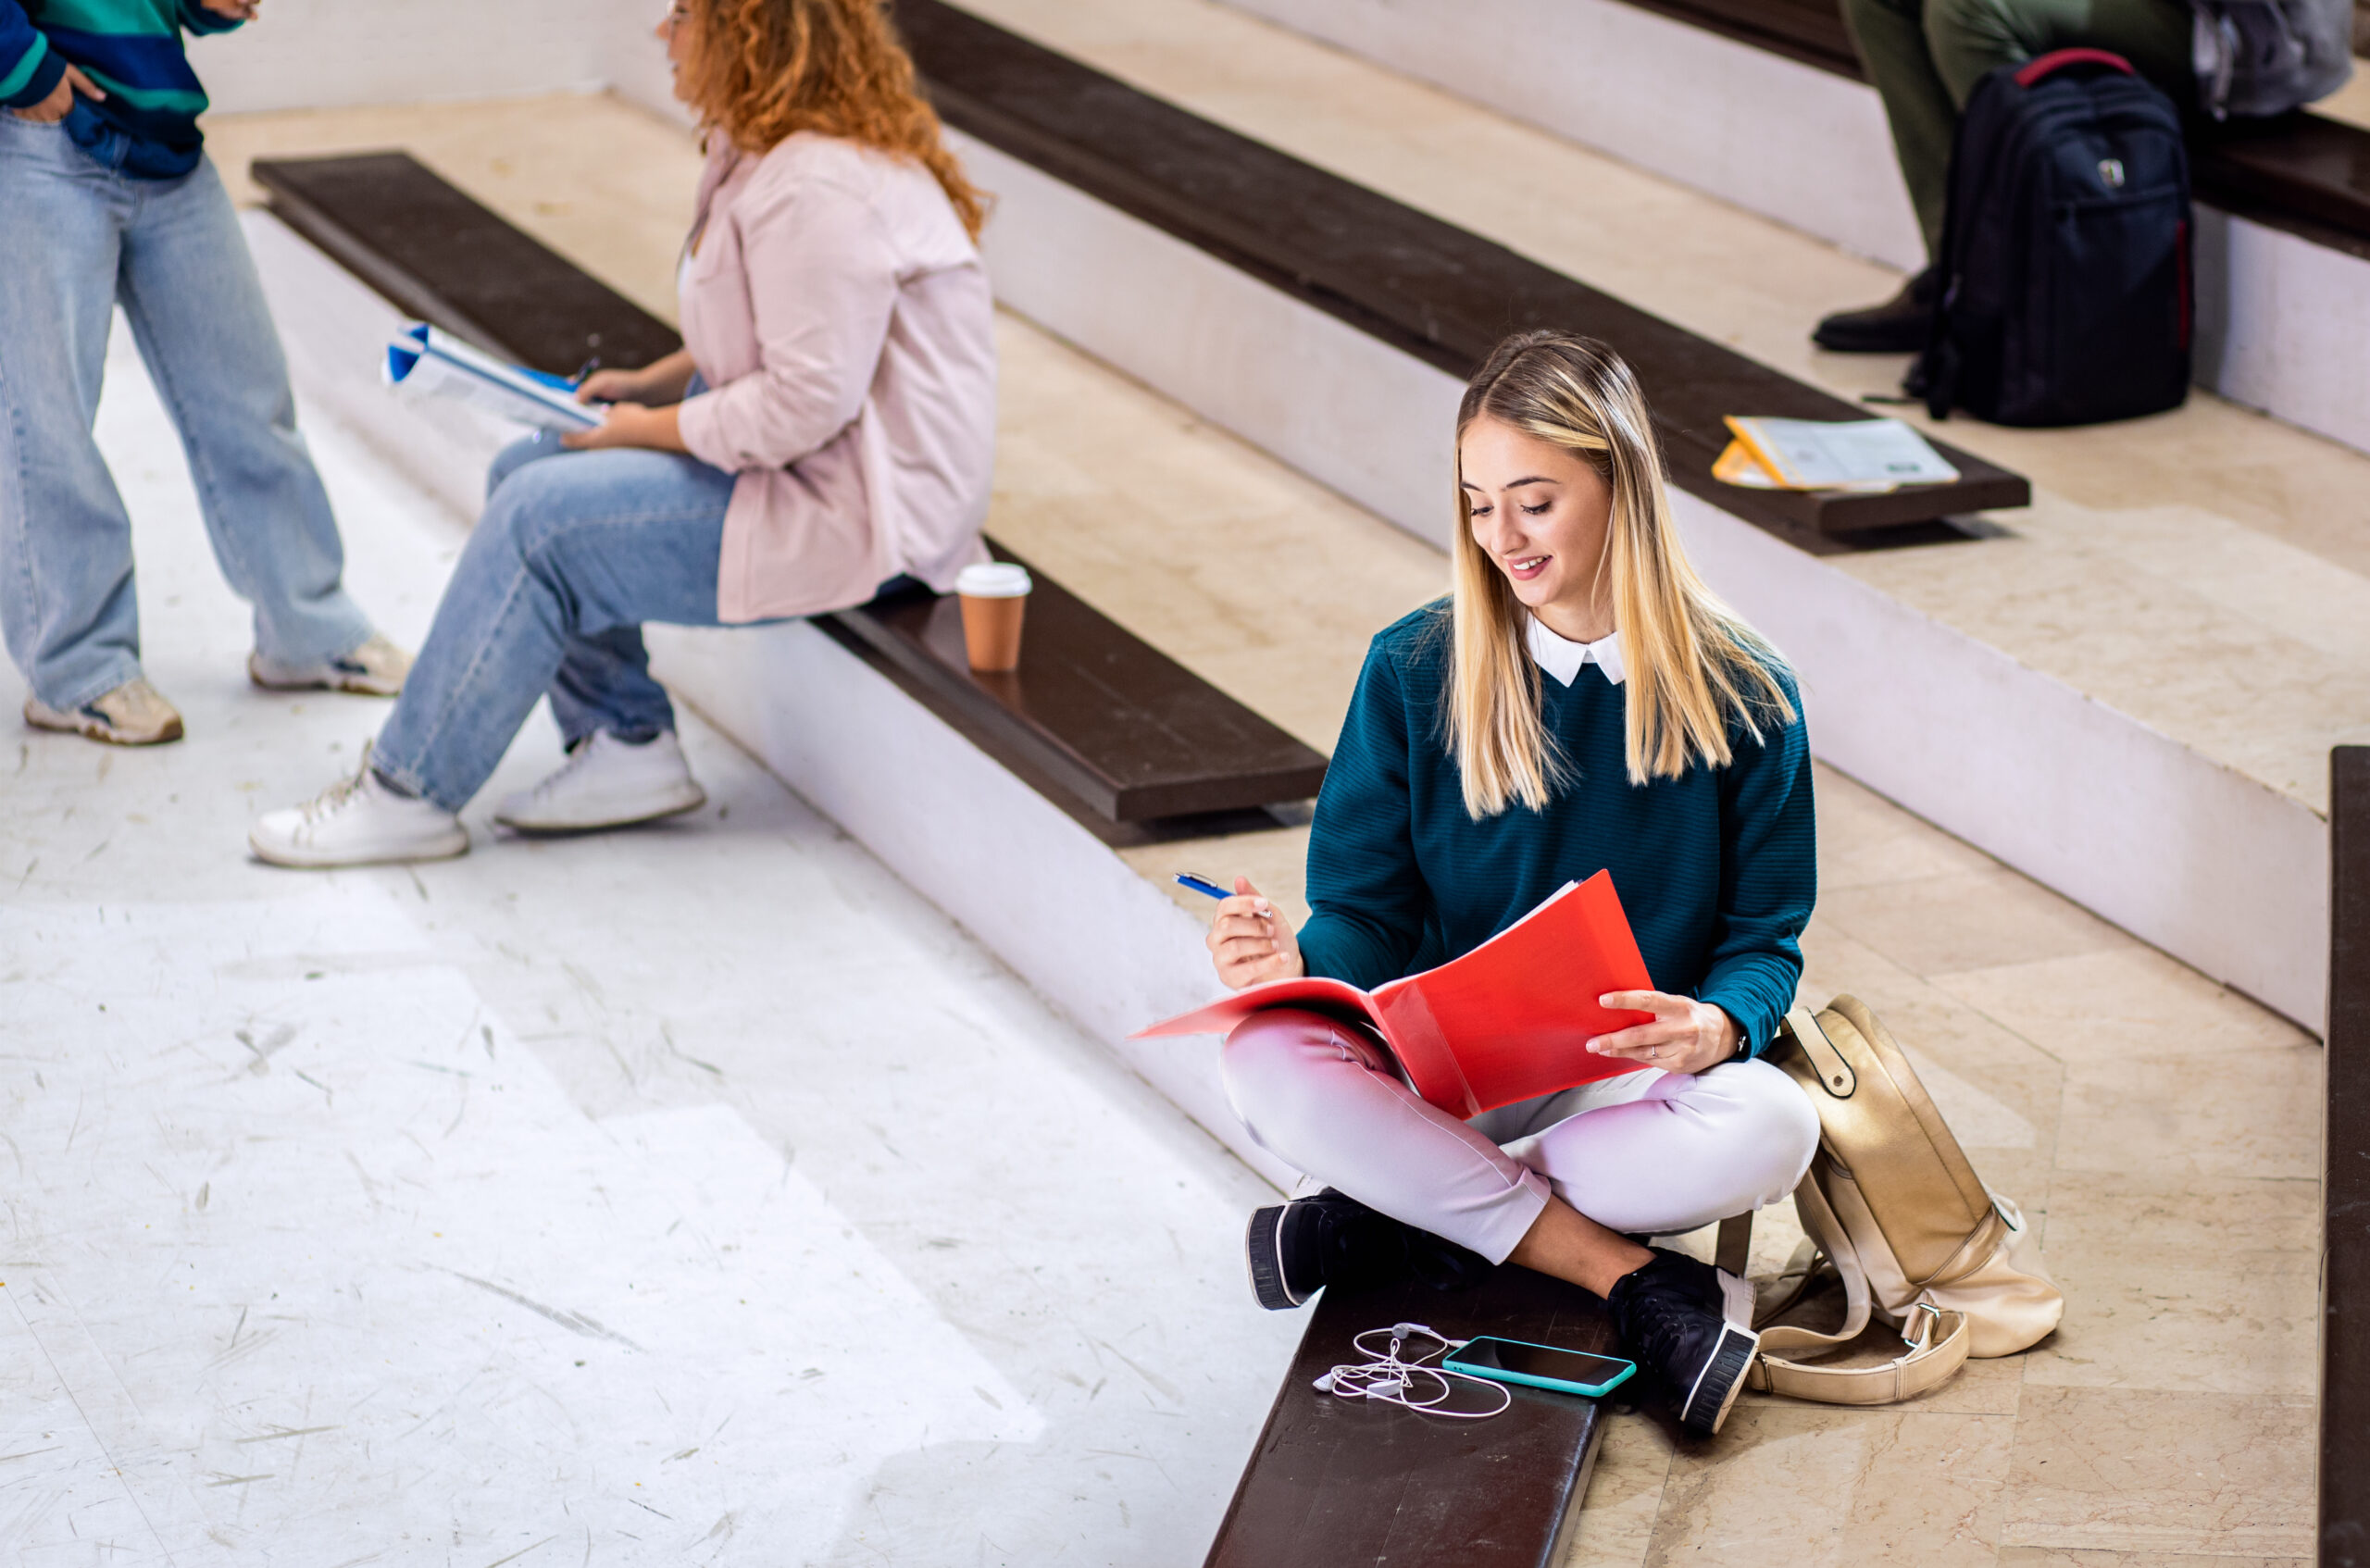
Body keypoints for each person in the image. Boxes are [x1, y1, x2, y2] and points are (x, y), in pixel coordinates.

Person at [1202, 330, 1821, 1437]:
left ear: (1619, 484)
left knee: (1775, 1124)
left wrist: (1719, 1023)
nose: (1501, 538)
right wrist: (1298, 965)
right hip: (1446, 1069)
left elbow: (1766, 934)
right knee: (1260, 1055)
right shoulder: (1415, 664)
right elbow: (1365, 908)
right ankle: (1620, 1274)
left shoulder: (1749, 692)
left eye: (1533, 502)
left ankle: (1404, 1205)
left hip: (1620, 1088)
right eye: (1478, 504)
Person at [248, 0, 995, 866]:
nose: (661, 35)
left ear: (752, 32)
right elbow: (790, 330)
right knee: (528, 464)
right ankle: (625, 744)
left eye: (682, 15)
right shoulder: (767, 155)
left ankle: (407, 793)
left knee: (541, 518)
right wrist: (653, 385)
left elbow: (802, 405)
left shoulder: (818, 184)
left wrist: (645, 427)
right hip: (818, 476)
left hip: (869, 520)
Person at [0, 0, 409, 746]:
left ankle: (307, 625)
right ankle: (79, 671)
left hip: (162, 136)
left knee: (247, 393)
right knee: (46, 426)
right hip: (44, 141)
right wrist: (20, 66)